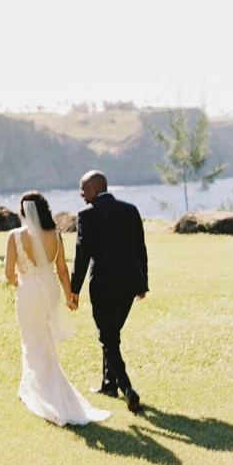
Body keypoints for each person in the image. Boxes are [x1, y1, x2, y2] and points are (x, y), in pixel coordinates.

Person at [5, 191, 110, 426]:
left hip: (29, 291)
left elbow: (9, 272)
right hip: (50, 289)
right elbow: (62, 270)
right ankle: (36, 387)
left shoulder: (15, 236)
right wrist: (69, 296)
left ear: (23, 212)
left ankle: (40, 393)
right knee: (43, 337)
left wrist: (20, 285)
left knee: (32, 340)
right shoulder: (56, 236)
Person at [71, 171, 148, 413]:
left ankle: (127, 388)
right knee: (112, 335)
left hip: (103, 286)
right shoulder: (130, 210)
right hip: (128, 285)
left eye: (83, 189)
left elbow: (82, 255)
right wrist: (142, 283)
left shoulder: (86, 214)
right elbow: (140, 249)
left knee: (108, 339)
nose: (81, 194)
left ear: (95, 187)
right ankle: (108, 384)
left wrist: (74, 289)